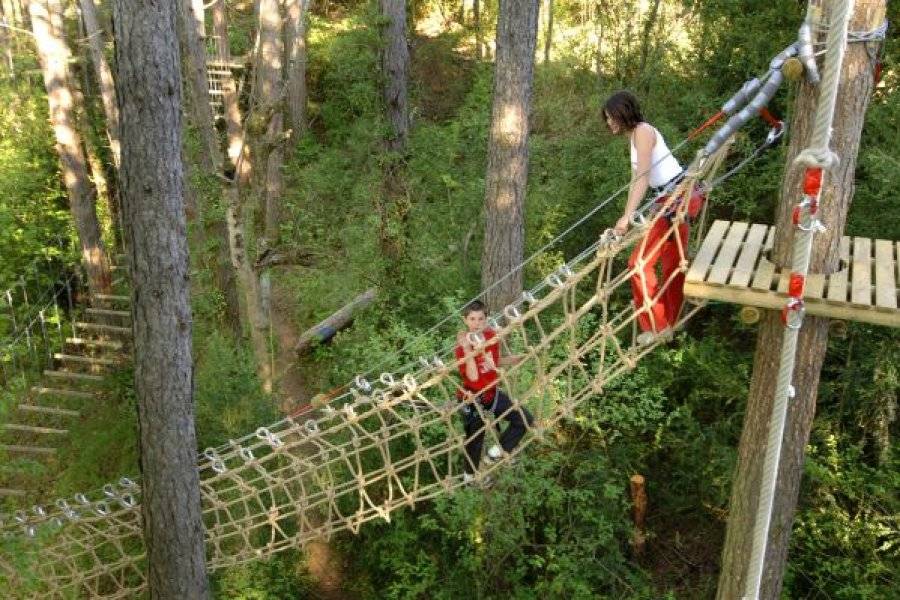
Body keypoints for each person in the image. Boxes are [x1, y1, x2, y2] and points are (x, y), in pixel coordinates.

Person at [603, 90, 703, 345]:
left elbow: (643, 177)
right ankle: (671, 320)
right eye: (607, 118)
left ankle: (658, 324)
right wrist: (626, 216)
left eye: (612, 117)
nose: (609, 123)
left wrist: (627, 217)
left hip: (676, 199)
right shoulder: (635, 136)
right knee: (671, 264)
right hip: (671, 198)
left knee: (639, 264)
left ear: (624, 114)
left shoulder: (643, 132)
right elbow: (637, 181)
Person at [454, 300, 532, 485]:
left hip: (492, 393)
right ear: (465, 320)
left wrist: (513, 360)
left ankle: (495, 453)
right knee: (475, 439)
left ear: (486, 319)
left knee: (524, 419)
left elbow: (493, 362)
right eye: (472, 319)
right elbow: (473, 377)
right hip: (472, 397)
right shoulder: (461, 349)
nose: (476, 323)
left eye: (481, 318)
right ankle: (470, 477)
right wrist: (467, 349)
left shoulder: (491, 336)